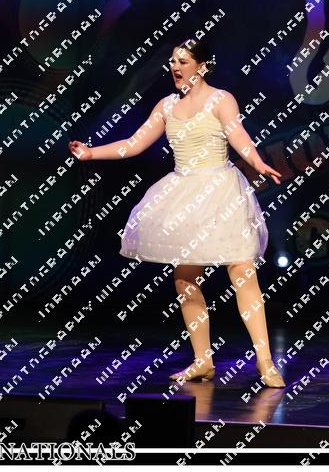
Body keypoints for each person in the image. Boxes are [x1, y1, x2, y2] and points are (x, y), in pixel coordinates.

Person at [68, 38, 285, 388]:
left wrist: (258, 163)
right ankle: (202, 361)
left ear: (202, 66)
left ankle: (265, 362)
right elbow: (134, 143)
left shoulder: (221, 99)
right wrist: (92, 153)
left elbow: (239, 136)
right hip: (184, 195)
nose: (175, 66)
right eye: (172, 61)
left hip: (221, 192)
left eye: (183, 61)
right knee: (185, 279)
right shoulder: (167, 105)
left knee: (242, 272)